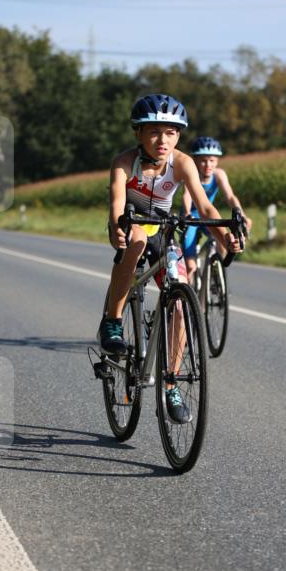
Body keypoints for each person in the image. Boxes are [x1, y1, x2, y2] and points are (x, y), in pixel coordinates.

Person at [99, 93, 240, 423]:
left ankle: (171, 384)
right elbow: (117, 202)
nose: (163, 140)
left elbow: (205, 208)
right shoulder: (123, 162)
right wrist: (116, 225)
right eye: (154, 131)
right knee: (133, 245)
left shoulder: (183, 162)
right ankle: (113, 321)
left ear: (179, 135)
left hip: (163, 229)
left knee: (179, 299)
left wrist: (225, 239)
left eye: (171, 132)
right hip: (131, 223)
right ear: (138, 133)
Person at [181, 136, 253, 284]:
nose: (208, 164)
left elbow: (230, 197)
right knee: (190, 265)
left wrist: (243, 214)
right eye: (203, 160)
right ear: (195, 160)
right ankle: (190, 296)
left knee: (223, 239)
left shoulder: (219, 175)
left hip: (208, 215)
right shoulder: (191, 174)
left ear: (217, 161)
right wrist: (188, 212)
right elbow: (186, 196)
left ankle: (217, 269)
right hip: (191, 218)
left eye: (212, 160)